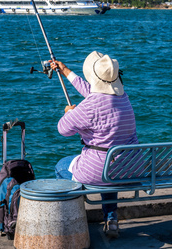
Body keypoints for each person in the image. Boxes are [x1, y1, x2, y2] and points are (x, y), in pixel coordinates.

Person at [51, 51, 138, 238]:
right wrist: (66, 71)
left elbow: (63, 129)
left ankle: (70, 222)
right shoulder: (123, 98)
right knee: (110, 168)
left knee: (61, 167)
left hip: (100, 170)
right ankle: (111, 218)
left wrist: (68, 112)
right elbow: (93, 91)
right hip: (129, 168)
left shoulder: (89, 107)